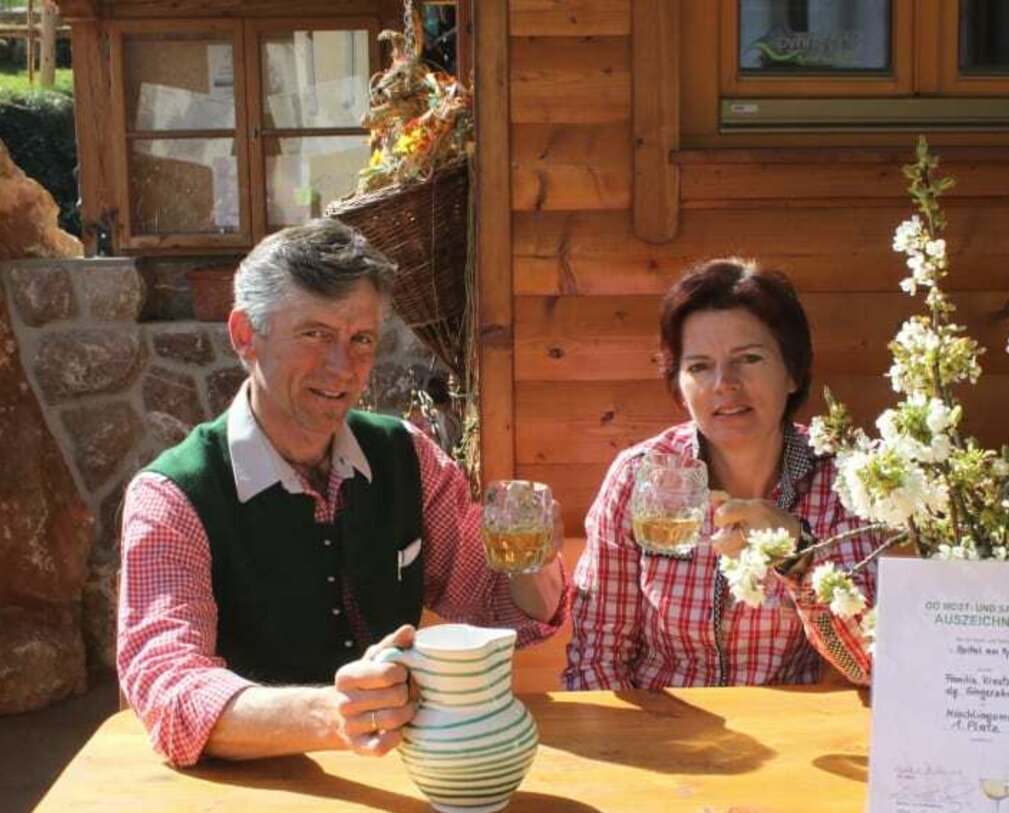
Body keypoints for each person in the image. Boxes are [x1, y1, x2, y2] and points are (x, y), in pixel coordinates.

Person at [119, 219, 567, 767]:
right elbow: (168, 689)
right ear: (244, 336)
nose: (343, 367)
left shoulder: (408, 455)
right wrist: (332, 715)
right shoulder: (172, 496)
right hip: (242, 801)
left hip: (401, 779)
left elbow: (497, 608)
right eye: (314, 334)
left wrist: (534, 556)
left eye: (361, 340)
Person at [564, 257, 881, 691]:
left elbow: (871, 663)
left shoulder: (845, 479)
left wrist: (800, 556)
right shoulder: (639, 477)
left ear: (793, 371)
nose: (724, 383)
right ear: (678, 385)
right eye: (699, 367)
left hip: (796, 740)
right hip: (664, 737)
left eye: (748, 358)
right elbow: (597, 659)